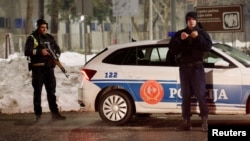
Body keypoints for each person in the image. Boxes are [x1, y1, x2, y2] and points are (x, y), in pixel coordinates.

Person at [168, 11, 212, 131]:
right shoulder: (180, 34)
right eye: (188, 19)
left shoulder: (202, 33)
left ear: (196, 20)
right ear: (186, 21)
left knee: (200, 95)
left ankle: (205, 121)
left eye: (193, 19)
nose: (191, 21)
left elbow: (208, 47)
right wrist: (180, 40)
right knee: (185, 96)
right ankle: (186, 122)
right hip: (184, 68)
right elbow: (172, 49)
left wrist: (197, 38)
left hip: (197, 68)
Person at [24, 19, 66, 122]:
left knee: (51, 92)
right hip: (38, 69)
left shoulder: (50, 38)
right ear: (37, 27)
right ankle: (38, 116)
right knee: (37, 93)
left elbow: (57, 49)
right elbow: (27, 51)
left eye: (45, 27)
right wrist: (40, 51)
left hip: (49, 69)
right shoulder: (32, 38)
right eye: (42, 27)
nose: (44, 29)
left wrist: (56, 54)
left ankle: (55, 114)